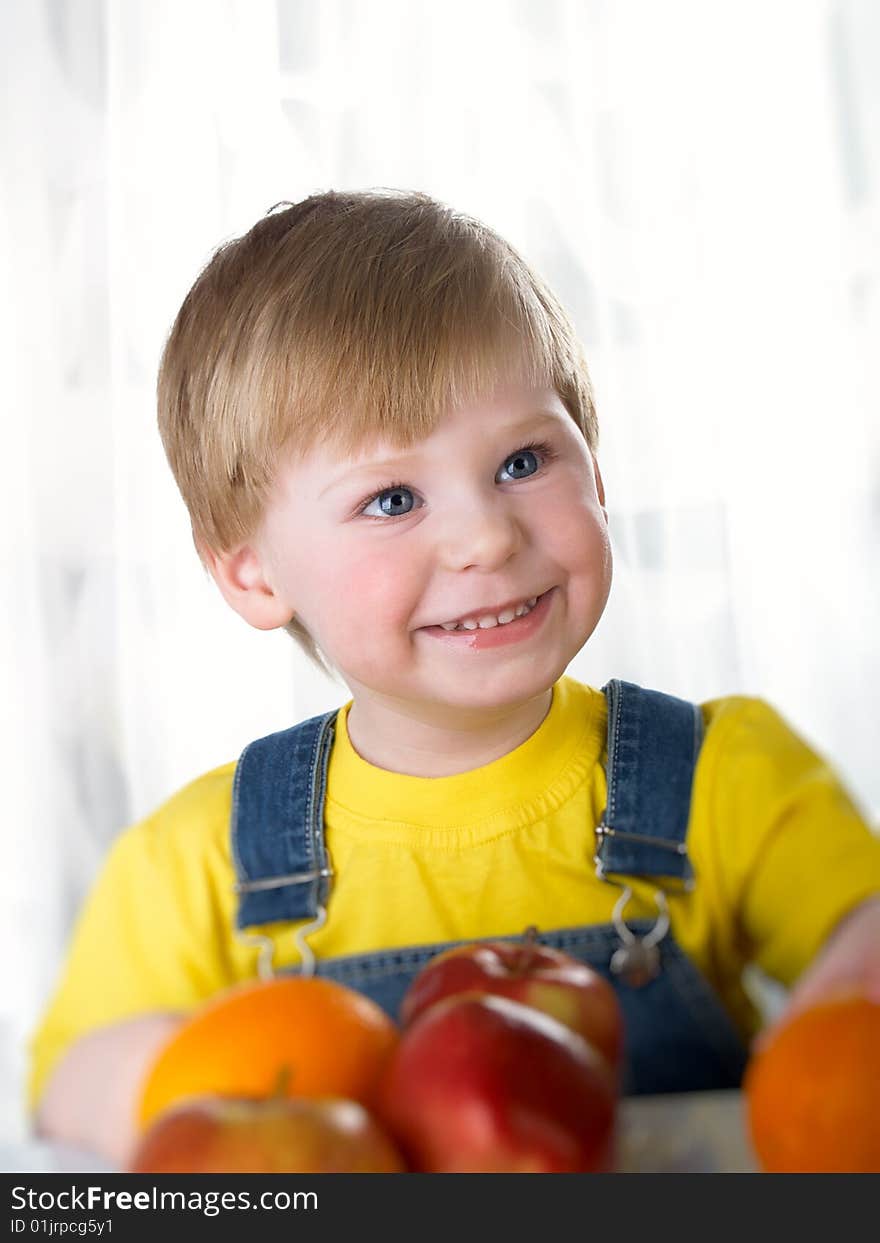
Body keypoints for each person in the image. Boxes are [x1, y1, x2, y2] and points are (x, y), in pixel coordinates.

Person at [29, 190, 880, 1166]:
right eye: (391, 497)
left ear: (596, 474)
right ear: (253, 572)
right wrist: (196, 1085)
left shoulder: (722, 777)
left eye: (523, 459)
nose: (484, 534)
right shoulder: (200, 859)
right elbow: (66, 1087)